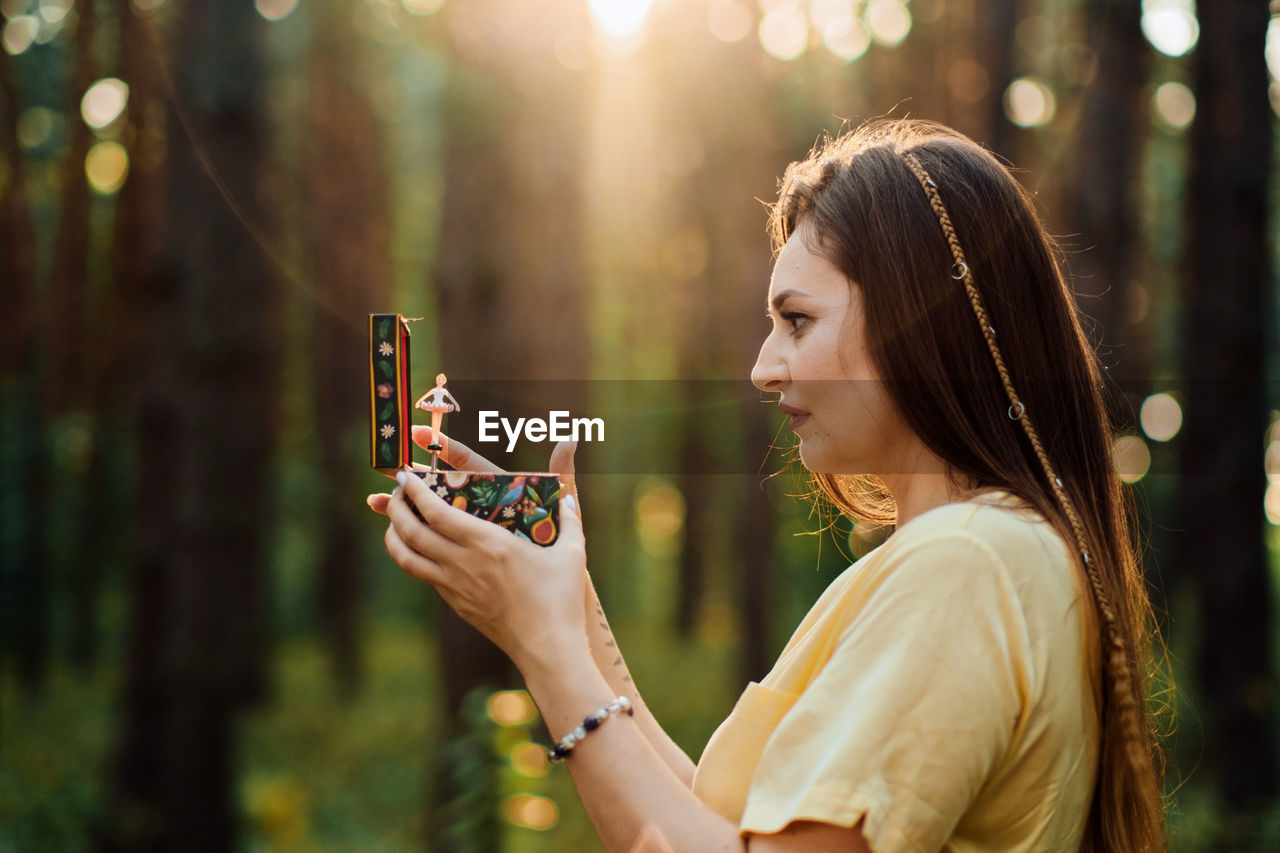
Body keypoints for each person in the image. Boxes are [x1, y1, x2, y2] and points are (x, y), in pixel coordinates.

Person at [366, 119, 1166, 852]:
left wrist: (541, 645)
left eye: (797, 320)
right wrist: (564, 600)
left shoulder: (965, 563)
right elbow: (717, 827)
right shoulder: (989, 551)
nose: (762, 366)